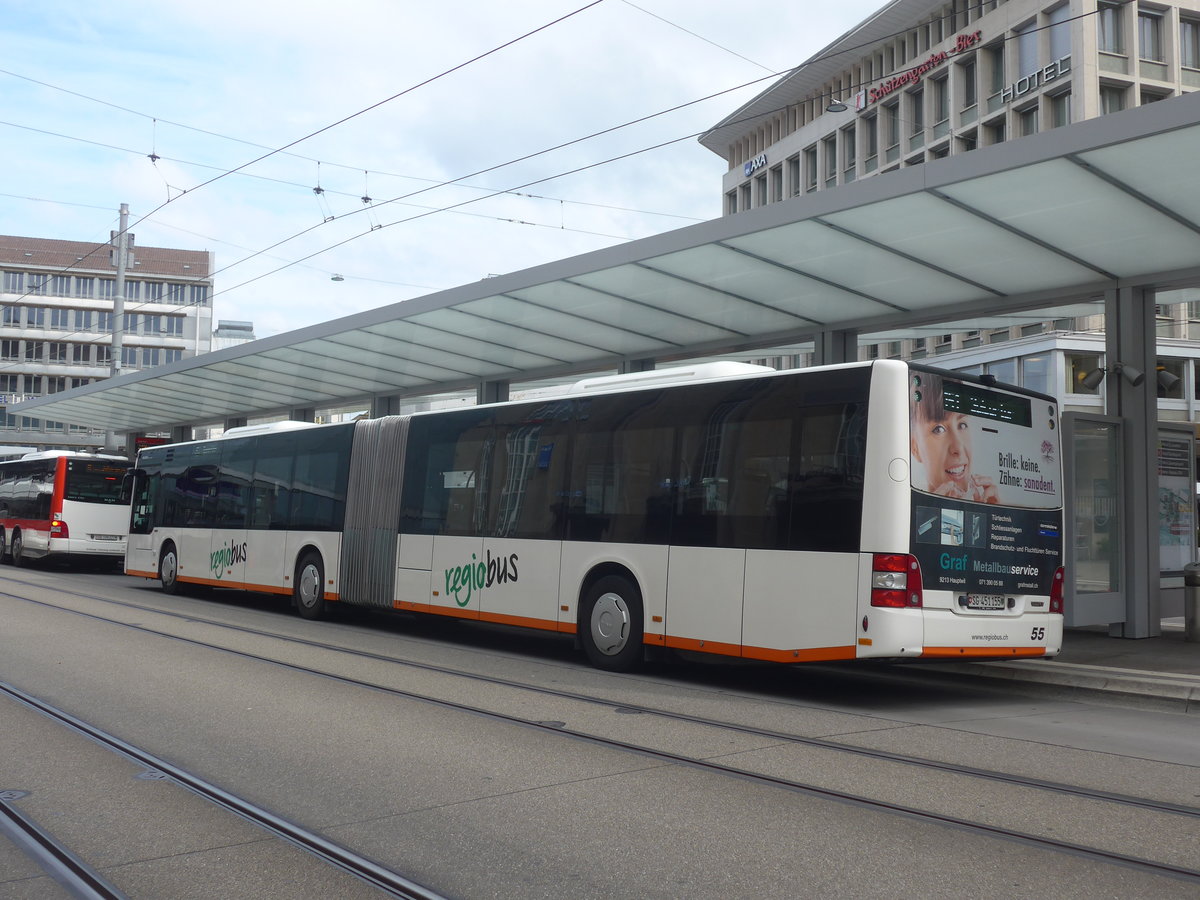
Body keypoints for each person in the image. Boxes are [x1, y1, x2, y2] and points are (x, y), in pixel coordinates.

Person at [910, 373, 998, 504]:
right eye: (938, 429)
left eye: (962, 425)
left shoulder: (992, 500)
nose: (958, 448)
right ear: (915, 448)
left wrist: (998, 517)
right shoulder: (903, 510)